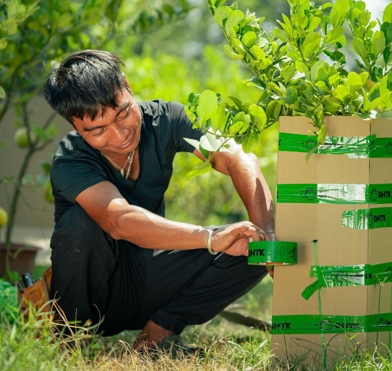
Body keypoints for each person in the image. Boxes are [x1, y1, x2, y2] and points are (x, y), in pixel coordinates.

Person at [42, 50, 274, 353]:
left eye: (124, 113)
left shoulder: (167, 119)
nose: (120, 134)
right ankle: (70, 339)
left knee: (251, 243)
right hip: (94, 297)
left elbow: (237, 157)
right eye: (97, 130)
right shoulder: (71, 160)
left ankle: (158, 333)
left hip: (152, 276)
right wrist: (211, 238)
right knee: (79, 225)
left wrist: (267, 235)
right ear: (75, 126)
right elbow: (119, 221)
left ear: (127, 85)